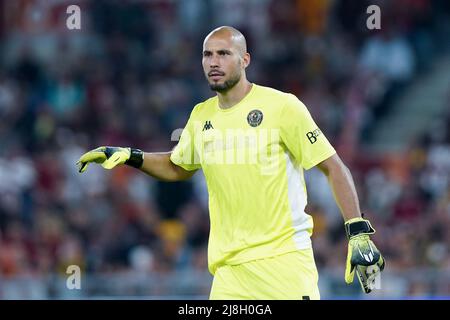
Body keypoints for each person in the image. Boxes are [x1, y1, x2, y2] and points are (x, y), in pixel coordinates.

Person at [77, 26, 385, 299]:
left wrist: (357, 230)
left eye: (224, 53)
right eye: (207, 54)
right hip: (229, 275)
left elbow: (333, 166)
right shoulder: (201, 116)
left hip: (283, 265)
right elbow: (178, 166)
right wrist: (133, 156)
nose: (213, 61)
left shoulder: (282, 107)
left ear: (245, 60)